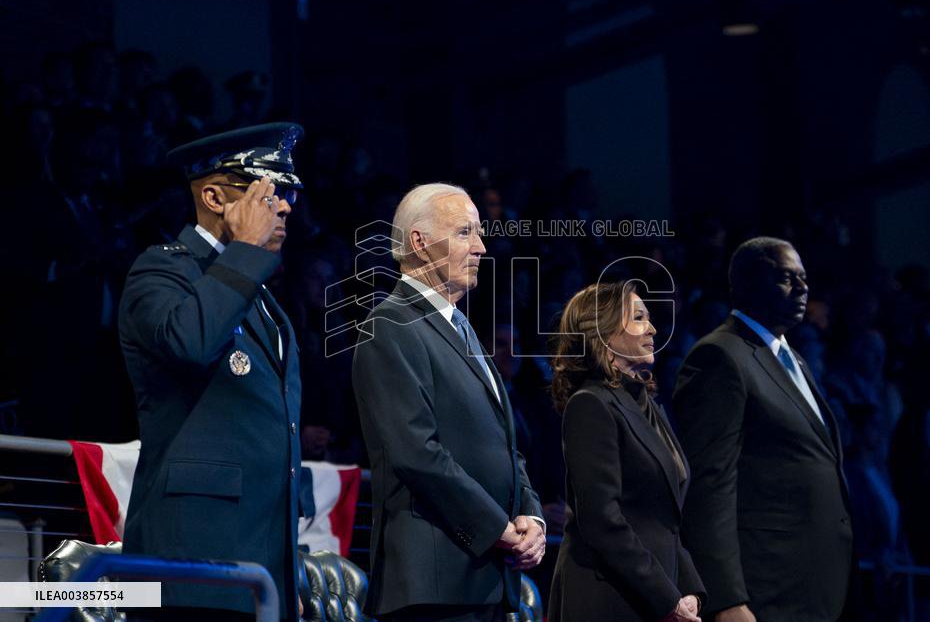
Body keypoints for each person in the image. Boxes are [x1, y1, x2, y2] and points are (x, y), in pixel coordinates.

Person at [118, 123, 305, 620]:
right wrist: (245, 250)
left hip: (265, 562)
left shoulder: (260, 293)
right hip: (195, 560)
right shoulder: (161, 270)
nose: (284, 206)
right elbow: (191, 342)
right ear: (216, 197)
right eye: (267, 193)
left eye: (288, 193)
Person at [352, 182, 546, 621]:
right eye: (464, 232)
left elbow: (504, 445)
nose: (480, 247)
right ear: (419, 242)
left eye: (479, 233)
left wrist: (531, 518)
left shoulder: (462, 329)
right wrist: (497, 526)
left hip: (487, 578)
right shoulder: (390, 325)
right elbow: (415, 451)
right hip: (435, 586)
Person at [672, 237, 853, 622]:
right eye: (788, 278)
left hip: (810, 586)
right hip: (764, 588)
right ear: (749, 282)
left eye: (804, 278)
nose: (803, 288)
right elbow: (709, 481)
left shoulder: (795, 360)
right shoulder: (720, 355)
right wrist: (726, 597)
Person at [548, 280, 705, 622]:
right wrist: (666, 597)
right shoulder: (590, 404)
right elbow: (602, 520)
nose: (652, 328)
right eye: (638, 318)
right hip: (610, 598)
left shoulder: (646, 403)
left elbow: (664, 519)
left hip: (656, 594)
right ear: (602, 333)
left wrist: (688, 586)